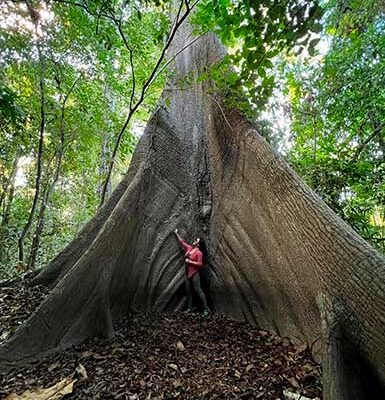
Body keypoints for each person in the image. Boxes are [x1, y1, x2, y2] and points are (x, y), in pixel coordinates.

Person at [174, 228, 210, 316]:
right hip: (187, 274)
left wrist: (190, 262)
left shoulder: (199, 253)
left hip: (195, 274)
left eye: (196, 240)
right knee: (188, 291)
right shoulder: (189, 248)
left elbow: (200, 264)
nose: (194, 241)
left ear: (198, 244)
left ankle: (206, 309)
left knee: (198, 290)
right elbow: (182, 242)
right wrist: (176, 233)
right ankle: (190, 308)